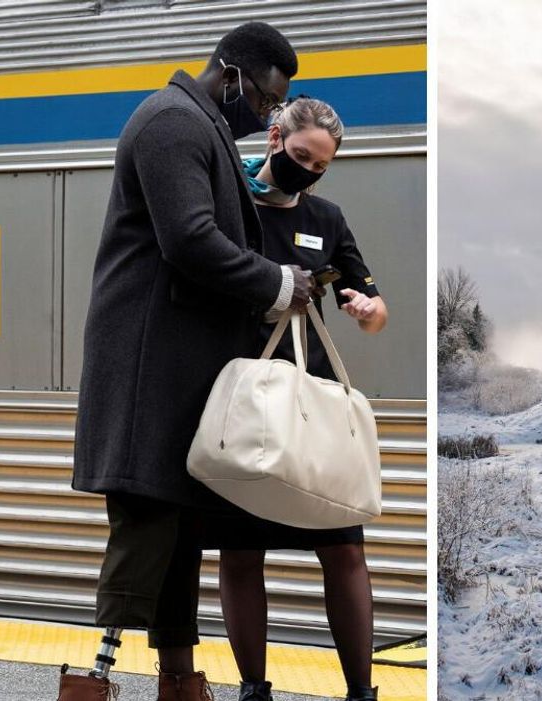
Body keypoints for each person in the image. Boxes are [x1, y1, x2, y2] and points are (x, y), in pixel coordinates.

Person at [68, 22, 318, 701]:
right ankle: (91, 681)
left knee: (177, 535)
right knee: (143, 533)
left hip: (177, 372)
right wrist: (276, 282)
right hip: (151, 371)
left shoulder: (197, 124)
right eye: (265, 99)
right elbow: (189, 237)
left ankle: (178, 680)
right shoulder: (172, 123)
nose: (266, 114)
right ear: (232, 74)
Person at [212, 97, 387, 701]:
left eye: (320, 165)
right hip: (246, 401)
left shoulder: (328, 219)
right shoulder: (226, 204)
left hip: (310, 401)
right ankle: (253, 689)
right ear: (274, 136)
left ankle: (361, 692)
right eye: (300, 155)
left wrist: (366, 312)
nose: (308, 171)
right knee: (240, 551)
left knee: (341, 547)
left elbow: (373, 306)